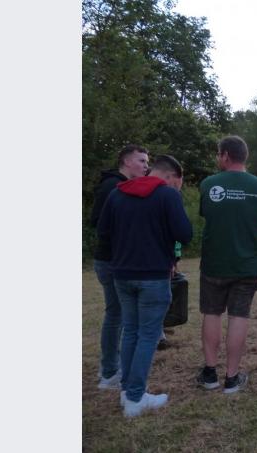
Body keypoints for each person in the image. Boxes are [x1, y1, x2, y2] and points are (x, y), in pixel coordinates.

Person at [97, 154, 192, 417]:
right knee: (148, 335)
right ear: (171, 176)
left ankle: (128, 392)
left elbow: (103, 231)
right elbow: (185, 234)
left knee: (130, 332)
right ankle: (136, 398)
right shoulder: (167, 196)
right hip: (153, 276)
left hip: (122, 274)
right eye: (178, 182)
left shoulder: (117, 193)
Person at [196, 136, 257, 394]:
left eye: (219, 154)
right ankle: (231, 377)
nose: (218, 159)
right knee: (239, 316)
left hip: (214, 263)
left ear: (226, 155)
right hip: (248, 264)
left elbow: (207, 215)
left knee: (212, 313)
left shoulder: (209, 184)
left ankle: (209, 373)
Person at [89, 144, 149, 390]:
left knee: (119, 315)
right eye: (141, 161)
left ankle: (111, 368)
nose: (146, 165)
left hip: (115, 260)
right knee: (116, 316)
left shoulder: (119, 185)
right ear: (126, 161)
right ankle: (110, 372)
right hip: (111, 261)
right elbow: (99, 223)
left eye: (147, 161)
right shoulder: (112, 187)